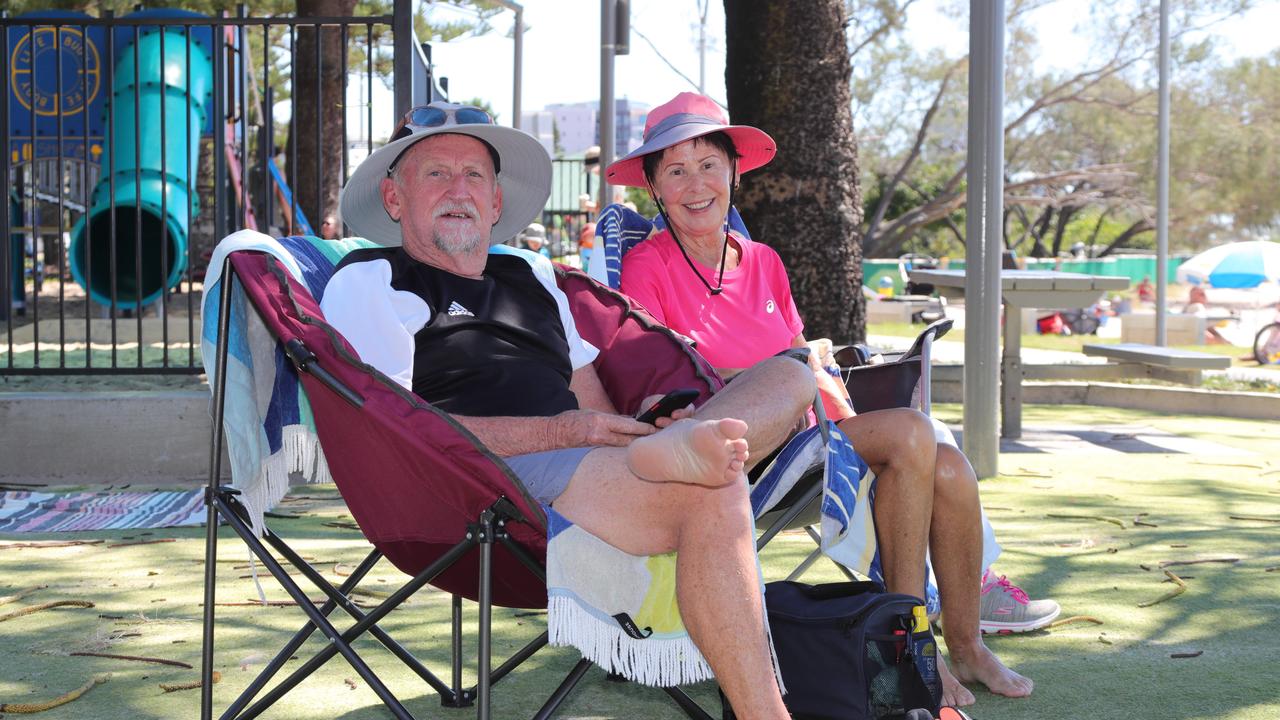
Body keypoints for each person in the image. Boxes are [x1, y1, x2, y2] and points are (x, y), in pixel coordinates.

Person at [322, 101, 819, 719]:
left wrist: (630, 435)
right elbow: (393, 430)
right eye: (435, 175)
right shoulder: (369, 280)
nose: (459, 191)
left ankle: (681, 444)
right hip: (483, 479)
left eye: (475, 176)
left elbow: (592, 401)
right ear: (395, 199)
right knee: (711, 489)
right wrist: (564, 431)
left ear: (497, 203)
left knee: (795, 373)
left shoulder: (533, 276)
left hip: (592, 461)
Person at [608, 92, 1056, 707]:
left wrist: (833, 404)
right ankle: (910, 645)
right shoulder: (645, 265)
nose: (695, 184)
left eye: (708, 164)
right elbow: (670, 375)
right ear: (654, 187)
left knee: (946, 461)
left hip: (808, 434)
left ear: (734, 172)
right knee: (913, 433)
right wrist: (784, 373)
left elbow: (802, 359)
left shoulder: (764, 263)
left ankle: (966, 644)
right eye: (675, 170)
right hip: (731, 448)